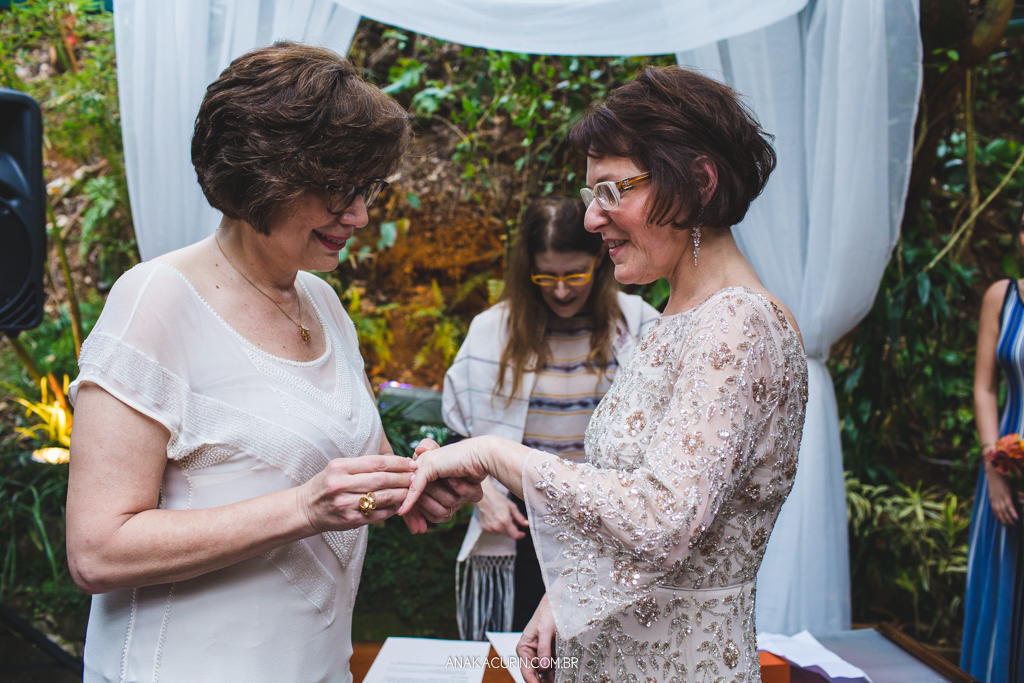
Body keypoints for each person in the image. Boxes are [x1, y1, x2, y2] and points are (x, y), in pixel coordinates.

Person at [65, 42, 479, 683]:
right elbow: (97, 551)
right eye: (338, 191)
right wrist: (304, 508)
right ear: (263, 176)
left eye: (366, 189)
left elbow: (351, 474)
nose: (360, 215)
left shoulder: (322, 302)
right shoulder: (156, 299)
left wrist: (418, 484)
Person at [402, 65, 808, 683]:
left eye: (613, 191)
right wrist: (563, 594)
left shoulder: (738, 323)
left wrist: (492, 454)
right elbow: (632, 502)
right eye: (593, 195)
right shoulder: (675, 319)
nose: (593, 218)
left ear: (699, 183)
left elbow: (664, 518)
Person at [443, 197, 659, 639]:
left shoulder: (639, 324)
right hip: (522, 525)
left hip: (609, 525)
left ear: (600, 260)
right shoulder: (492, 332)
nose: (561, 290)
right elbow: (456, 436)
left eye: (575, 274)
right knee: (519, 649)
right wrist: (484, 497)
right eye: (546, 276)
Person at [962, 208, 1024, 683]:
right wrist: (994, 468)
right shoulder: (1002, 299)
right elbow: (984, 388)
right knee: (1002, 593)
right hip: (1004, 468)